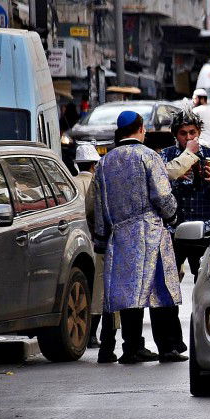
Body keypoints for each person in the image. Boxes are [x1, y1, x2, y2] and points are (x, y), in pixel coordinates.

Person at [92, 110, 187, 364]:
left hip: (119, 236)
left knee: (127, 294)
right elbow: (163, 196)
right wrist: (172, 217)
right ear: (141, 128)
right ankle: (168, 347)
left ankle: (131, 347)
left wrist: (102, 240)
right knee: (160, 291)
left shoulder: (104, 163)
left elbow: (100, 206)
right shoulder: (149, 156)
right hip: (150, 232)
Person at [160, 110, 210, 278]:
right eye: (183, 133)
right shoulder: (165, 156)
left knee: (209, 280)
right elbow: (156, 191)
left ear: (199, 132)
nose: (189, 137)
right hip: (173, 230)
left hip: (205, 230)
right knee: (167, 282)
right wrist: (173, 179)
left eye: (192, 132)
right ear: (175, 135)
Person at [73, 143, 116, 359]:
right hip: (97, 242)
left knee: (83, 288)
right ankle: (93, 335)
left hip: (74, 245)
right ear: (93, 164)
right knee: (99, 291)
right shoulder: (98, 181)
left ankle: (83, 331)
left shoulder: (68, 184)